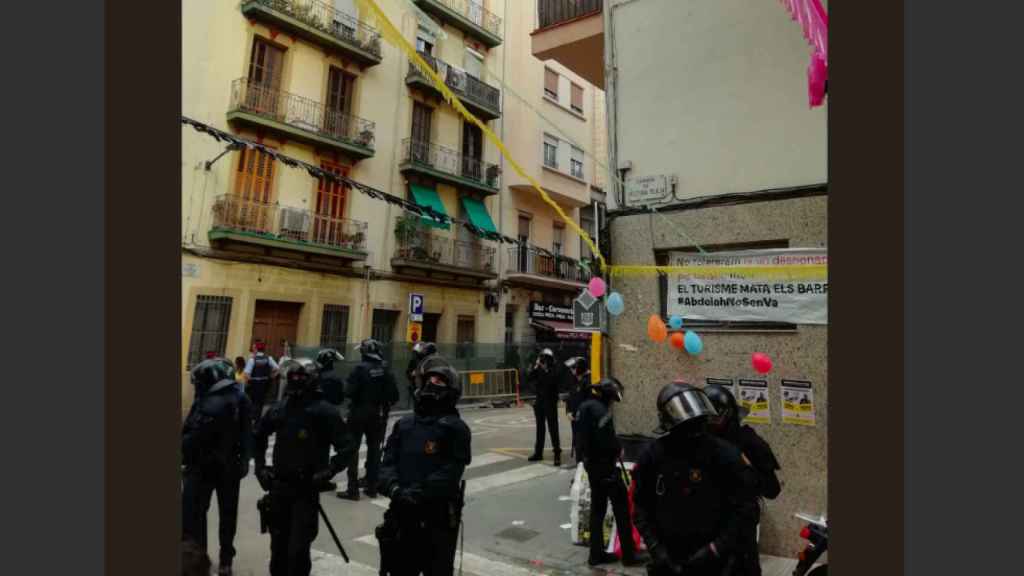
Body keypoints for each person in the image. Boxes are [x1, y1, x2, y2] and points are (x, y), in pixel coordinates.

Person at [632, 383, 761, 576]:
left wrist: (716, 549)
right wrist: (657, 549)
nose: (693, 431)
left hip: (719, 561)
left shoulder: (725, 454)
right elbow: (640, 507)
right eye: (686, 426)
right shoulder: (652, 456)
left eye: (697, 422)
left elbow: (746, 509)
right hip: (669, 558)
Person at [252, 358, 357, 576]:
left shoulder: (324, 412)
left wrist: (330, 470)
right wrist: (260, 467)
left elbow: (347, 447)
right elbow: (258, 436)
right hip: (279, 488)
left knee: (298, 551)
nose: (296, 380)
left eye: (301, 377)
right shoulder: (281, 408)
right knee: (278, 549)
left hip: (305, 491)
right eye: (293, 377)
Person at [376, 355, 470, 576]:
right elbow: (387, 463)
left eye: (439, 381)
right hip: (401, 514)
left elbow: (451, 471)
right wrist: (395, 489)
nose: (432, 384)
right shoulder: (404, 425)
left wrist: (420, 493)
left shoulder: (456, 429)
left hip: (436, 518)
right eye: (429, 379)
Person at [182, 358, 252, 576]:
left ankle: (201, 559)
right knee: (224, 514)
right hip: (225, 466)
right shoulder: (240, 398)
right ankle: (222, 560)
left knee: (196, 514)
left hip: (206, 467)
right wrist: (244, 462)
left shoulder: (210, 401)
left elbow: (190, 433)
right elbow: (248, 435)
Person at [705, 383, 782, 576]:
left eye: (715, 418)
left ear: (728, 414)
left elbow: (772, 490)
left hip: (740, 524)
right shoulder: (699, 440)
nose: (710, 423)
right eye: (706, 417)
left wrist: (748, 469)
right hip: (707, 524)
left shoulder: (749, 442)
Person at [575, 377, 648, 567]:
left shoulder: (585, 406)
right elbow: (607, 441)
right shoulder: (602, 412)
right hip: (606, 468)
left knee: (597, 511)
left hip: (592, 466)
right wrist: (617, 450)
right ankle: (629, 556)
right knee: (622, 509)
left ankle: (596, 555)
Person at [338, 339, 399, 501]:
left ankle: (352, 490)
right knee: (374, 450)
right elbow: (394, 396)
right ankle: (372, 487)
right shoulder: (385, 369)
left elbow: (349, 392)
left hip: (358, 412)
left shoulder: (359, 369)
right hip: (378, 414)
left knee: (353, 449)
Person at [527, 348, 562, 466]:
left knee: (553, 428)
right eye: (542, 358)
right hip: (540, 401)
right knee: (540, 428)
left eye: (545, 359)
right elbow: (530, 378)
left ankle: (557, 453)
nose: (543, 361)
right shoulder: (540, 368)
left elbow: (554, 381)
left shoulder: (554, 368)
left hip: (550, 402)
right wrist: (536, 366)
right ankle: (538, 452)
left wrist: (545, 369)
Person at [244, 341, 279, 426]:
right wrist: (271, 377)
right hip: (264, 383)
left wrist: (249, 381)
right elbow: (277, 369)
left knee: (253, 402)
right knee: (261, 402)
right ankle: (257, 420)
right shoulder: (268, 358)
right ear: (263, 349)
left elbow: (246, 374)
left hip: (254, 384)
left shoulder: (252, 359)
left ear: (256, 349)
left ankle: (252, 420)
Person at [563, 356, 589, 462]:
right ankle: (579, 469)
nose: (572, 370)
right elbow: (570, 398)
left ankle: (582, 470)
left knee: (582, 447)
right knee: (578, 446)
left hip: (583, 420)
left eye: (574, 368)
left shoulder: (588, 382)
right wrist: (568, 411)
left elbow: (587, 402)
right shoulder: (574, 381)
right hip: (575, 419)